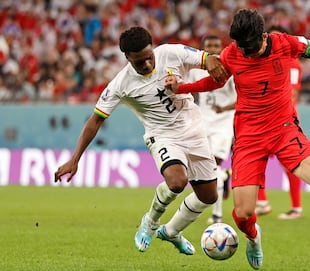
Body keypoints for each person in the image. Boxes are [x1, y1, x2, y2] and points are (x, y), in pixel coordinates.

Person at [165, 9, 310, 271]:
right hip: (249, 139)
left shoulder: (286, 44)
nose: (245, 52)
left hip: (284, 130)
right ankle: (253, 237)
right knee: (243, 214)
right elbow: (215, 82)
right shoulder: (232, 53)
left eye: (249, 47)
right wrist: (182, 88)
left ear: (263, 36)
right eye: (241, 47)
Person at [54, 26, 229, 256]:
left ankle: (172, 232)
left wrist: (213, 62)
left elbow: (206, 59)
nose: (147, 64)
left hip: (195, 130)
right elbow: (95, 121)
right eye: (139, 62)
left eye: (149, 57)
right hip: (163, 135)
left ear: (153, 47)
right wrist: (74, 159)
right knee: (177, 182)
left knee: (209, 196)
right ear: (127, 58)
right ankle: (151, 221)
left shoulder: (172, 53)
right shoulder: (120, 84)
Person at [255, 25, 304, 220]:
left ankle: (296, 207)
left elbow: (292, 92)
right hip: (265, 118)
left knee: (289, 163)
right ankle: (262, 202)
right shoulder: (266, 60)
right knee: (257, 159)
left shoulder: (292, 63)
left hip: (282, 119)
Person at [188, 35, 237, 224]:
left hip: (223, 123)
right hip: (202, 122)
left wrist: (224, 108)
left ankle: (217, 215)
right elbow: (191, 93)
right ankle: (223, 179)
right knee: (203, 168)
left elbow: (242, 97)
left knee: (213, 165)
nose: (214, 48)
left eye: (217, 44)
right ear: (203, 48)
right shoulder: (196, 71)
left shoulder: (230, 69)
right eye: (209, 45)